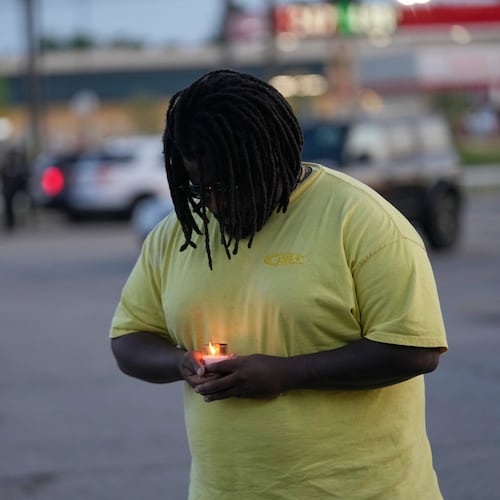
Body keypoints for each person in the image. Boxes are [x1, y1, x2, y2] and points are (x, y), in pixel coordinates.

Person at [110, 69, 447, 499]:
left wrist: (287, 373)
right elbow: (129, 339)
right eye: (200, 187)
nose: (214, 202)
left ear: (275, 157)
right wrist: (182, 363)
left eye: (230, 183)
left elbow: (415, 349)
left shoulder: (361, 221)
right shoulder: (176, 235)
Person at [0, 145, 30, 231]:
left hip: (18, 189)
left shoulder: (20, 164)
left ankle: (13, 222)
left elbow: (25, 175)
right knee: (8, 203)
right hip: (9, 190)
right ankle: (10, 222)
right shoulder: (6, 166)